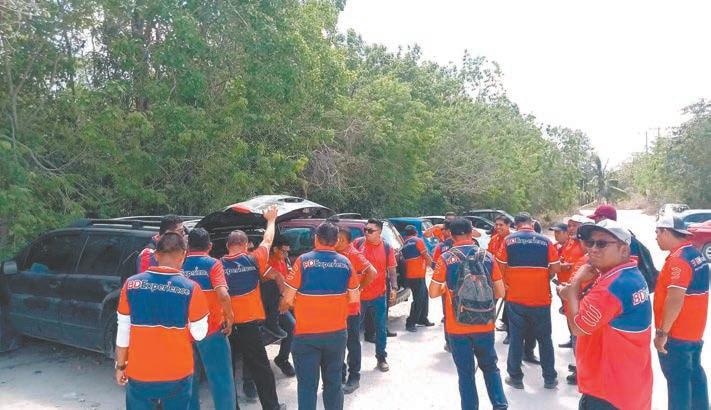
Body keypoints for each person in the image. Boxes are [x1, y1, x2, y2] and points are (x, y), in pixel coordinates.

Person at [558, 219, 652, 410]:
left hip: (608, 390)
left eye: (601, 244)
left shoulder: (613, 286)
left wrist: (574, 286)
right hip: (630, 382)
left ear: (624, 250)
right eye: (590, 243)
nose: (592, 249)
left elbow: (578, 327)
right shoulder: (630, 274)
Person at [115, 232, 209, 409]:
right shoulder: (191, 289)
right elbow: (199, 334)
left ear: (156, 255)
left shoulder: (131, 284)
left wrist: (120, 366)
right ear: (183, 256)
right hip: (178, 372)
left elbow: (123, 331)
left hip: (140, 371)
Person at [429, 218, 508, 410]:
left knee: (465, 374)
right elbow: (500, 292)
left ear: (450, 234)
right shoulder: (487, 256)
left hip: (457, 326)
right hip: (485, 323)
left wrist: (447, 290)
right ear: (472, 232)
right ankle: (500, 405)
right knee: (490, 367)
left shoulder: (446, 258)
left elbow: (433, 292)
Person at [280, 222, 360, 410]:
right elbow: (354, 298)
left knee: (307, 386)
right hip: (336, 334)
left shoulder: (303, 261)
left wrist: (302, 304)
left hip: (306, 335)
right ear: (336, 241)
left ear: (316, 238)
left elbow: (288, 298)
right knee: (334, 384)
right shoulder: (345, 263)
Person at [222, 206, 285, 410]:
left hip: (226, 326)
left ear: (227, 245)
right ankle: (272, 407)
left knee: (228, 370)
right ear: (246, 245)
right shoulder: (254, 258)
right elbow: (268, 240)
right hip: (249, 326)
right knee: (261, 369)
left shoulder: (217, 266)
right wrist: (271, 220)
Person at [496, 212, 560, 389]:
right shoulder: (545, 241)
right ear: (531, 223)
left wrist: (507, 283)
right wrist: (544, 277)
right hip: (541, 298)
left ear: (515, 225)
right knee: (545, 339)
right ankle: (549, 378)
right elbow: (556, 268)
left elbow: (499, 266)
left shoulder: (508, 241)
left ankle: (515, 378)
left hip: (516, 298)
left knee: (516, 338)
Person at [653, 215, 709, 410]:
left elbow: (675, 299)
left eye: (657, 232)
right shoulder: (695, 254)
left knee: (678, 383)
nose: (656, 237)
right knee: (694, 376)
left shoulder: (679, 260)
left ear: (666, 232)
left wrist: (662, 333)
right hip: (694, 332)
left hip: (677, 333)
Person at [182, 228, 236, 410]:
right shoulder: (213, 264)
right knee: (221, 379)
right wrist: (230, 317)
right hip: (211, 330)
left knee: (189, 379)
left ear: (188, 246)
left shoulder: (179, 265)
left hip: (185, 332)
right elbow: (223, 295)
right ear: (210, 246)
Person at [334, 226, 377, 394]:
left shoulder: (353, 254)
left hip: (351, 309)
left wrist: (359, 288)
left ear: (347, 241)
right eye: (335, 238)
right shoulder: (334, 253)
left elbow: (372, 272)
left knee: (352, 343)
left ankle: (354, 376)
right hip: (335, 308)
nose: (336, 242)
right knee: (337, 343)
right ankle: (340, 375)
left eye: (340, 239)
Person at [353, 219, 398, 372]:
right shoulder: (358, 243)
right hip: (359, 295)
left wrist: (394, 288)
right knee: (353, 330)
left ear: (379, 232)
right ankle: (352, 363)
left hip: (379, 294)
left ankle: (381, 358)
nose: (366, 233)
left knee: (381, 328)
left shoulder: (386, 247)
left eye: (370, 230)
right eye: (365, 229)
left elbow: (392, 270)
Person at [590, 204, 659, 291]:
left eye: (601, 244)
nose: (595, 222)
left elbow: (628, 271)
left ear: (603, 218)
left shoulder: (624, 240)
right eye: (590, 243)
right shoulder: (620, 236)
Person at [557, 215, 593, 349]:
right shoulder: (570, 241)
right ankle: (572, 339)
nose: (571, 228)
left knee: (579, 326)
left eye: (574, 225)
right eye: (569, 225)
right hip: (565, 287)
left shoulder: (586, 247)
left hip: (578, 293)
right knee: (569, 317)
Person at [262, 238, 296, 376]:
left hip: (282, 300)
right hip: (270, 304)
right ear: (275, 249)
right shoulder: (266, 262)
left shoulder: (283, 260)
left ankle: (283, 358)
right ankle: (281, 359)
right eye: (284, 251)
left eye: (288, 252)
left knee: (294, 326)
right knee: (291, 325)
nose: (286, 254)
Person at [402, 224, 434, 332]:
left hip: (411, 275)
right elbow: (426, 256)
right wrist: (434, 268)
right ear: (416, 232)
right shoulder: (418, 241)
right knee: (419, 299)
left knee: (423, 296)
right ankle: (410, 323)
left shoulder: (405, 243)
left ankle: (422, 318)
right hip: (417, 275)